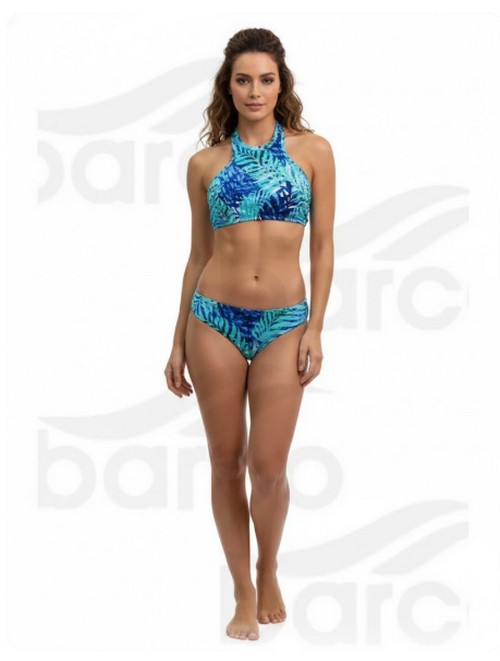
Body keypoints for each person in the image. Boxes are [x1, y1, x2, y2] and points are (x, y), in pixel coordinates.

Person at [164, 27, 335, 641]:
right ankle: (241, 588)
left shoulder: (314, 151)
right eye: (243, 80)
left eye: (266, 79)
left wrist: (316, 326)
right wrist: (177, 340)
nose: (255, 91)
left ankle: (269, 567)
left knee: (267, 468)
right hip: (213, 319)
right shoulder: (204, 164)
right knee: (225, 459)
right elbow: (197, 255)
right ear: (228, 87)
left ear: (281, 84)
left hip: (285, 324)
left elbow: (323, 245)